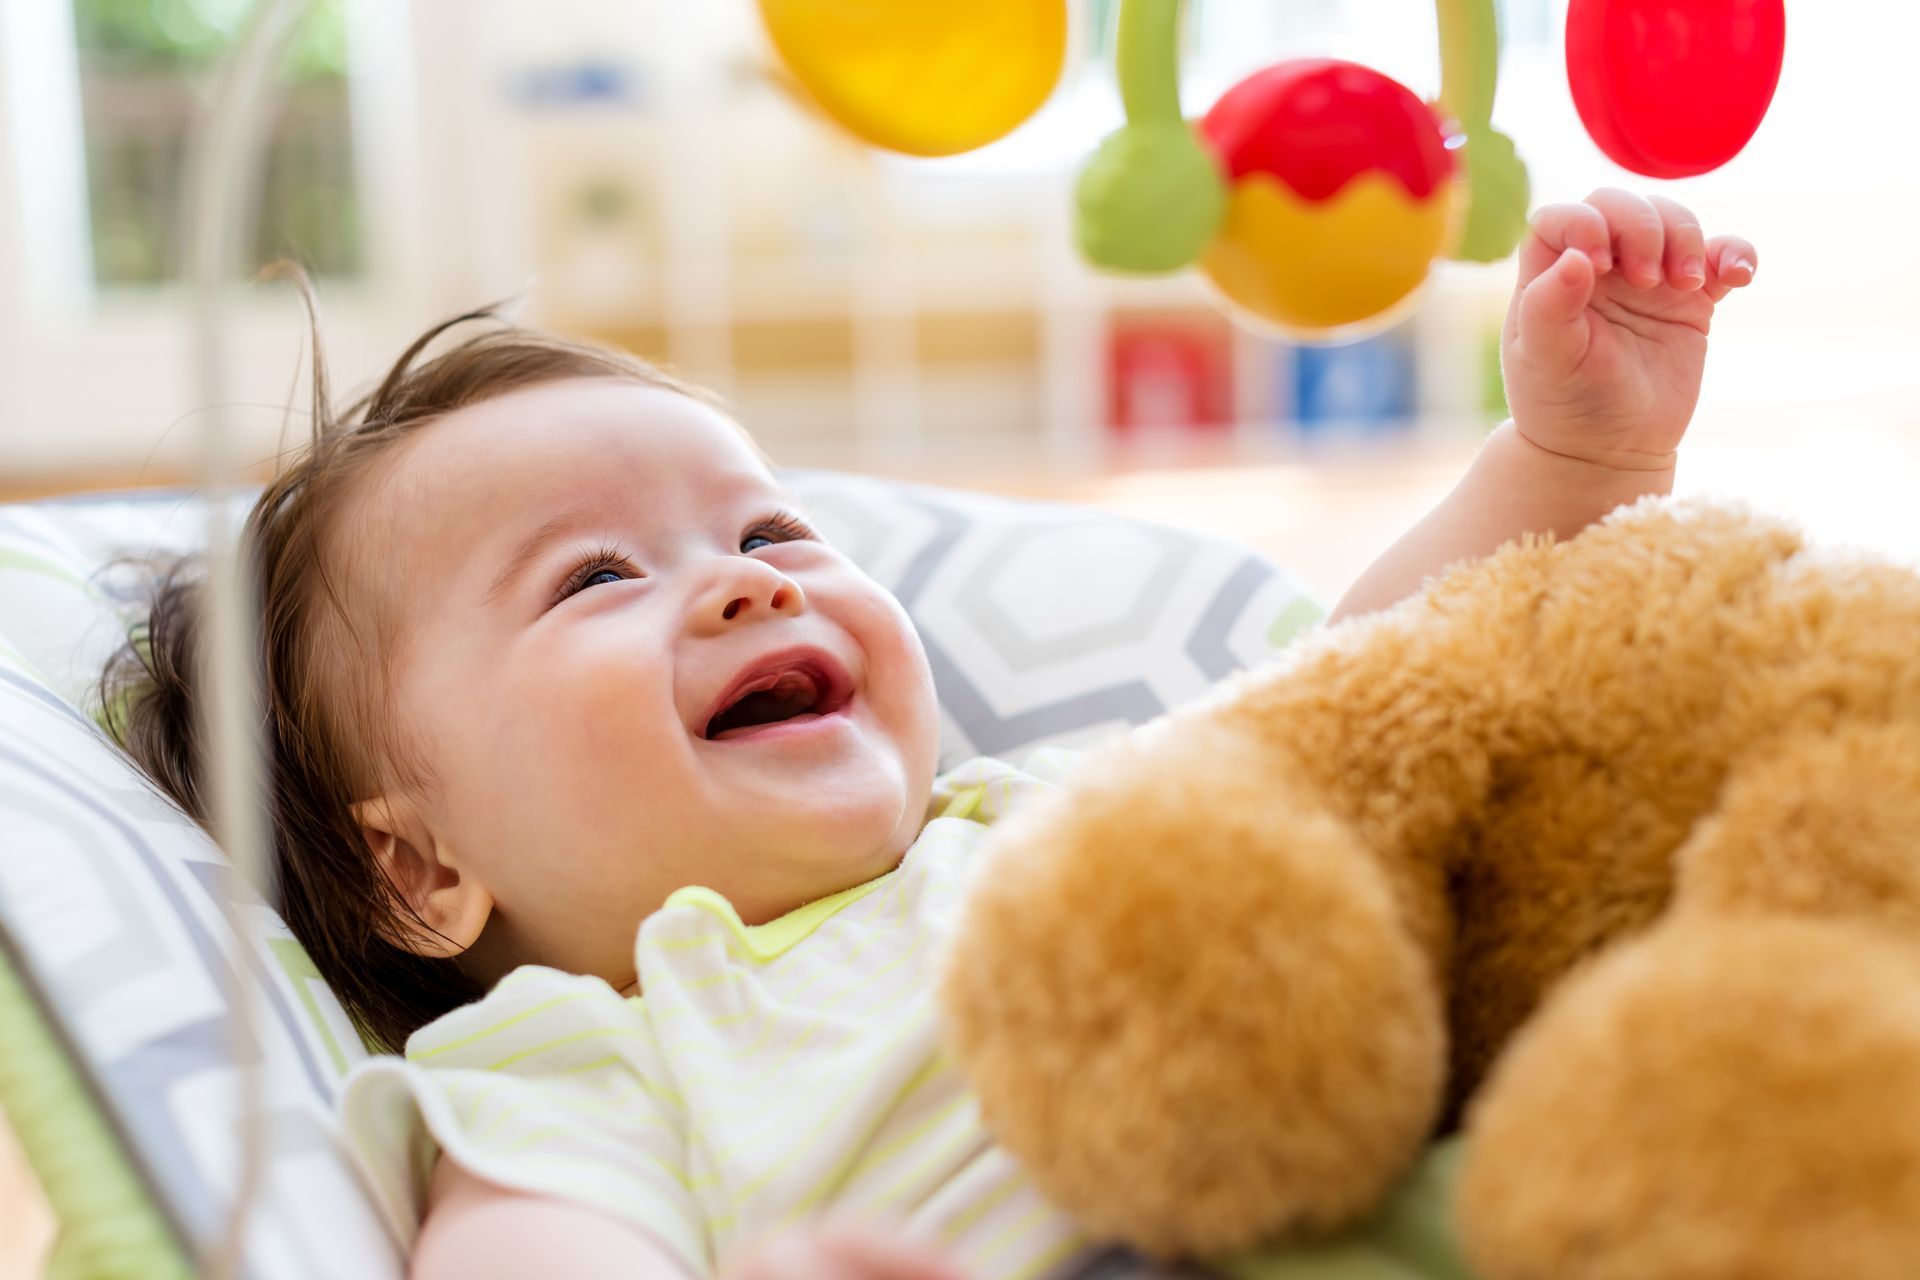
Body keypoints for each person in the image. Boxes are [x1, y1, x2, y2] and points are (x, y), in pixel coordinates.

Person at [105, 190, 1756, 1279]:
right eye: (595, 577)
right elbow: (538, 1250)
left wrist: (1576, 462)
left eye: (767, 538)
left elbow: (1364, 693)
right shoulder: (589, 1053)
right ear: (418, 869)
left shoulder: (1036, 806)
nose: (746, 594)